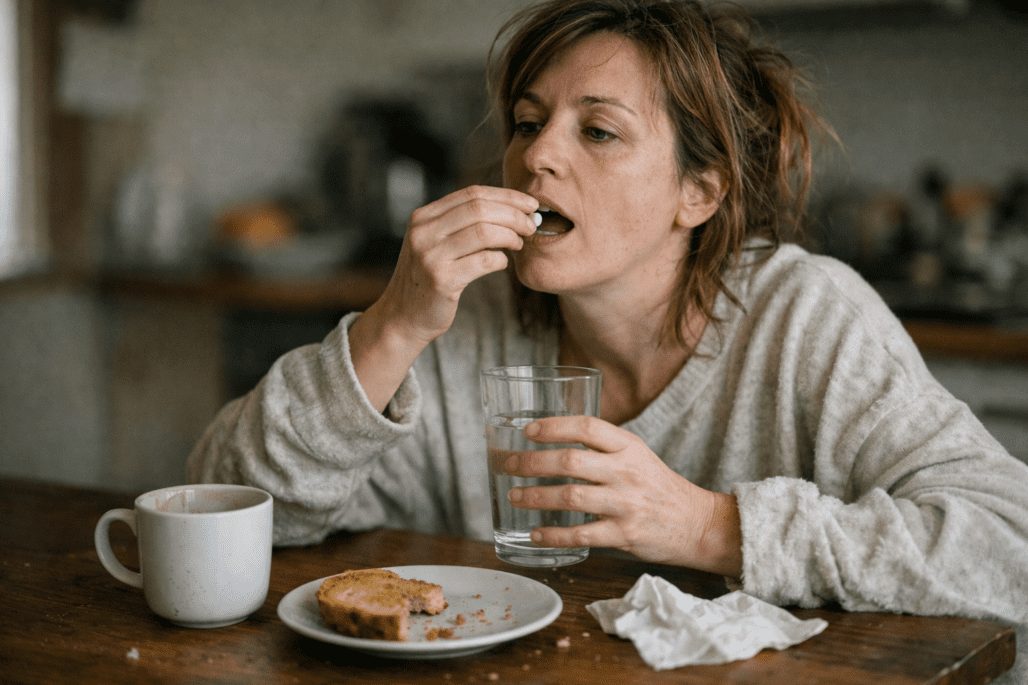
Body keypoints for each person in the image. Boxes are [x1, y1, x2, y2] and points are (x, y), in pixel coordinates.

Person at [187, 0, 1028, 680]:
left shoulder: (804, 317)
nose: (533, 155)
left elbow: (1009, 549)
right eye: (526, 121)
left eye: (597, 130)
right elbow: (221, 505)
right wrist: (393, 324)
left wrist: (710, 526)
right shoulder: (461, 324)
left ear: (697, 192)